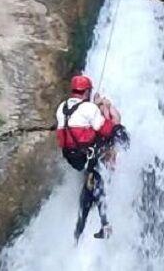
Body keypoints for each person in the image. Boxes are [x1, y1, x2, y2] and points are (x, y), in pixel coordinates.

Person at [55, 75, 111, 239]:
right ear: (87, 91)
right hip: (87, 155)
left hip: (72, 158)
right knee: (97, 184)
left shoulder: (62, 108)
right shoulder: (89, 108)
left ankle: (78, 232)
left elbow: (76, 122)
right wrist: (106, 108)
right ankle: (105, 224)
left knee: (89, 187)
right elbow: (105, 129)